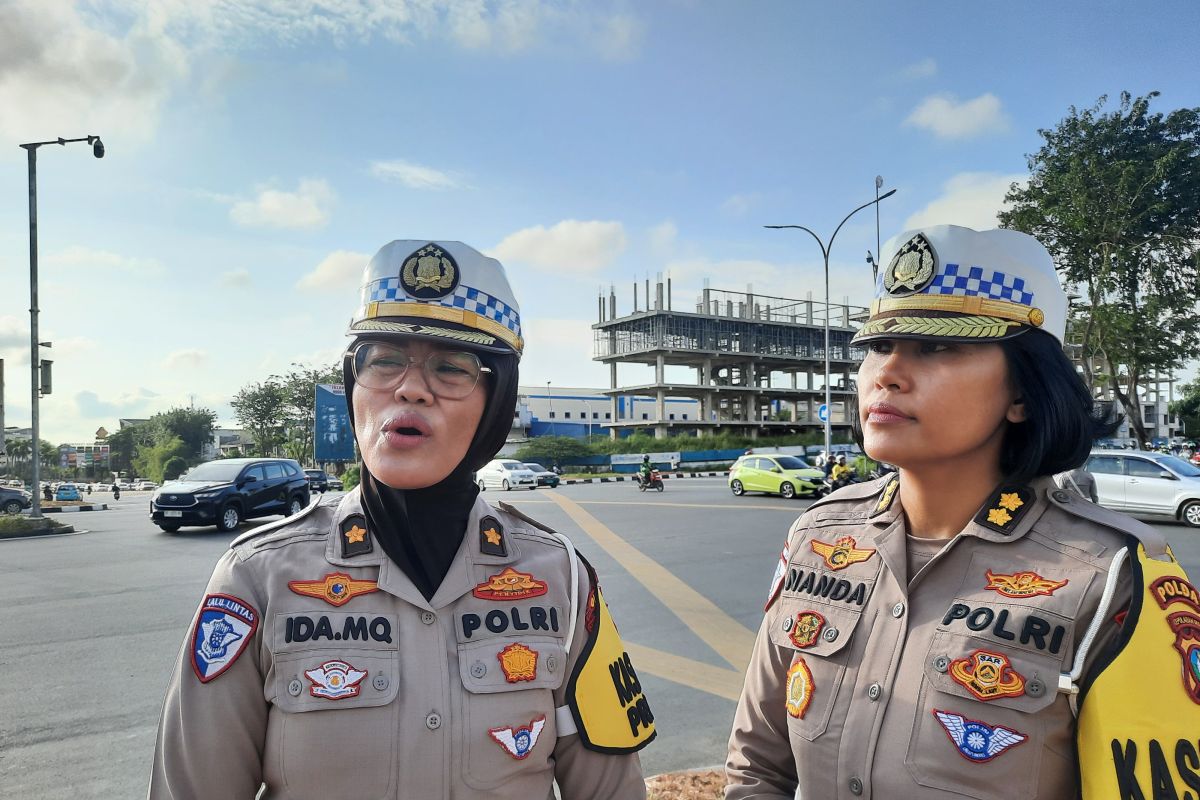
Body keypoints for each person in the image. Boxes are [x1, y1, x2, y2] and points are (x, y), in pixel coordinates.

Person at [151, 241, 654, 799]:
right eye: (385, 360)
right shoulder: (255, 578)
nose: (410, 387)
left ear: (497, 400)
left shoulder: (561, 576)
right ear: (353, 383)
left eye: (451, 368)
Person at [726, 225, 1199, 799]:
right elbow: (757, 766)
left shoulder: (1112, 576)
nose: (887, 373)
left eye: (937, 347)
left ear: (1023, 393)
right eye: (879, 345)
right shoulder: (817, 537)